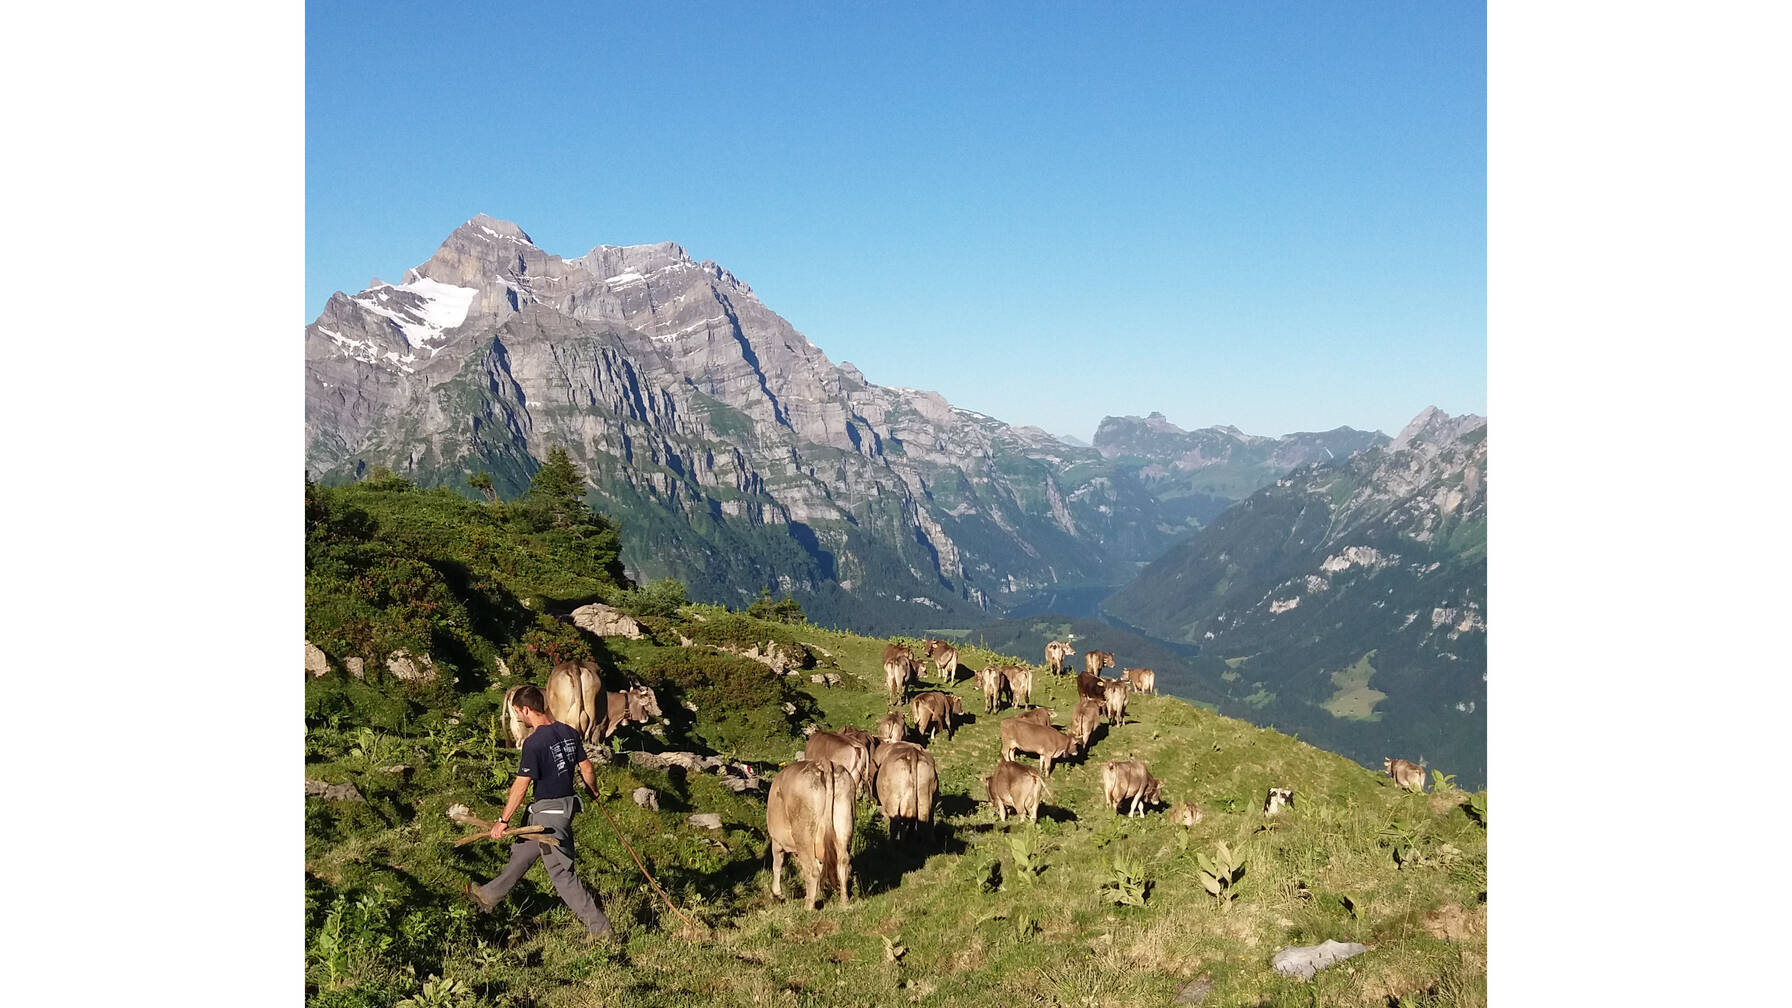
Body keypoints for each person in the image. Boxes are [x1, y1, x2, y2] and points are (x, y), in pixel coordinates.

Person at [465, 684, 614, 940]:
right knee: (523, 853)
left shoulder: (534, 743)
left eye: (516, 712)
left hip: (549, 815)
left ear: (525, 709)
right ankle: (488, 895)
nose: (517, 718)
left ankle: (600, 929)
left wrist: (502, 821)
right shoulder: (568, 732)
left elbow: (520, 786)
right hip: (563, 808)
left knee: (561, 874)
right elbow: (587, 768)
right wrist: (594, 791)